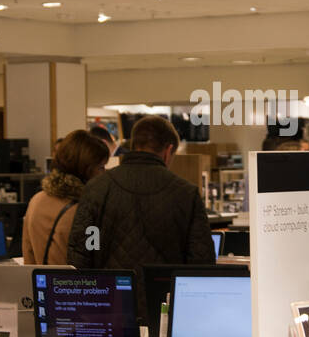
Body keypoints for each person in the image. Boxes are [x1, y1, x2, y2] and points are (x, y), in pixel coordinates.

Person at [67, 116, 216, 306]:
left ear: (133, 144)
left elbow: (85, 250)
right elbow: (201, 262)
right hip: (165, 308)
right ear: (168, 151)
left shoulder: (97, 188)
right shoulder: (185, 193)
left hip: (109, 306)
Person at [24, 130, 109, 264]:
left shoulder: (37, 200)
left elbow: (28, 254)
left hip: (40, 282)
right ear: (84, 169)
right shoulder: (86, 210)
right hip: (72, 283)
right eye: (101, 167)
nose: (104, 174)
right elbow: (94, 261)